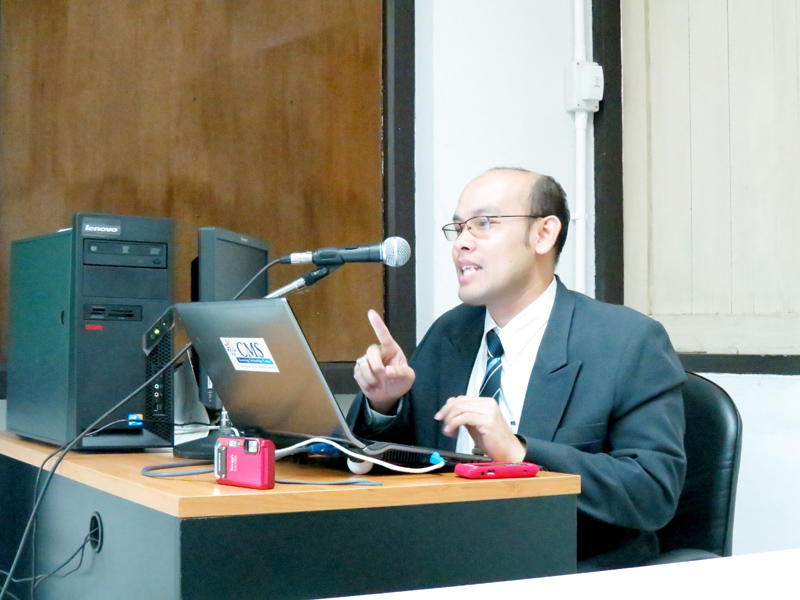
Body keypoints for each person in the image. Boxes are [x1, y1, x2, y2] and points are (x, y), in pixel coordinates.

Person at [347, 167, 686, 571]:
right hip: (442, 562)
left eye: (483, 224)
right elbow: (400, 466)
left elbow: (653, 490)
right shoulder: (449, 334)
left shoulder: (627, 342)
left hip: (564, 570)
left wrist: (519, 453)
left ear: (543, 234)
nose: (462, 243)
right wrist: (384, 405)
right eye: (458, 228)